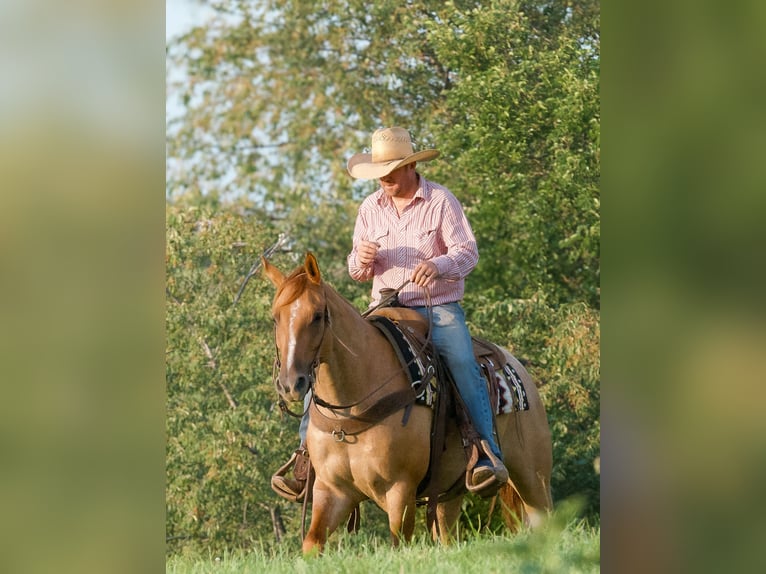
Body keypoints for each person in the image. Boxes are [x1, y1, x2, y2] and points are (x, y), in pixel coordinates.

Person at [271, 127, 509, 502]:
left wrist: (439, 264)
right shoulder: (370, 208)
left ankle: (484, 452)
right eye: (380, 172)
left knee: (462, 362)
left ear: (411, 166)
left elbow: (468, 252)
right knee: (323, 362)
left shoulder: (441, 201)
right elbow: (356, 269)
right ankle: (306, 458)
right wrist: (360, 261)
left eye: (392, 170)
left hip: (437, 307)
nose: (385, 179)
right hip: (383, 308)